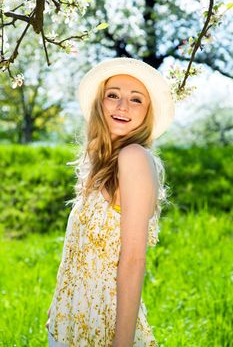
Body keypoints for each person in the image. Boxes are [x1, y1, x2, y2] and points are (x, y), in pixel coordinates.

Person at [46, 57, 175, 347]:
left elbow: (133, 260)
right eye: (113, 95)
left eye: (136, 99)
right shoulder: (104, 162)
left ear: (148, 112)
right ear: (100, 103)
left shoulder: (134, 158)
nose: (122, 106)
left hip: (104, 328)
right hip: (68, 324)